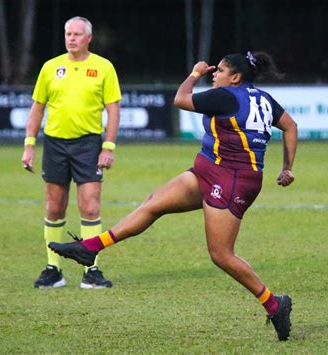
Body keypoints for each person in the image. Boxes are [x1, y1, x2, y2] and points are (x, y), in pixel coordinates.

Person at [49, 51, 297, 341]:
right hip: (209, 168)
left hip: (232, 179)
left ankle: (274, 304)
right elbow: (290, 126)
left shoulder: (226, 96)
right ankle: (91, 247)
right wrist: (287, 168)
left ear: (236, 77)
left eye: (219, 71)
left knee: (221, 254)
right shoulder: (262, 98)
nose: (213, 75)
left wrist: (194, 74)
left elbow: (180, 99)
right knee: (153, 203)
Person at [21, 16, 122, 289]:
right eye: (68, 33)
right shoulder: (50, 67)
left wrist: (108, 147)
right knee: (54, 207)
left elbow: (113, 110)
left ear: (88, 38)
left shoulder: (103, 67)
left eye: (77, 34)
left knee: (90, 206)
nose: (72, 38)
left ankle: (92, 269)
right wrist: (29, 144)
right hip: (54, 144)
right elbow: (37, 108)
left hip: (88, 144)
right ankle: (53, 269)